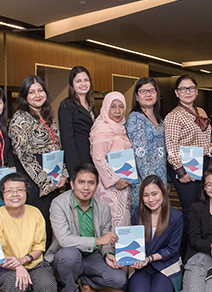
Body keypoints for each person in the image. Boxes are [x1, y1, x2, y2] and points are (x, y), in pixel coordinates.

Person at [45, 163, 126, 292]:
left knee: (119, 280)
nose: (86, 187)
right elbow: (64, 240)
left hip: (91, 255)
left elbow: (106, 236)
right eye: (81, 182)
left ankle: (84, 280)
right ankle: (70, 291)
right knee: (70, 254)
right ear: (72, 184)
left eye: (91, 183)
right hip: (65, 255)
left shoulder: (102, 206)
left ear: (96, 185)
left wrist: (108, 253)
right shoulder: (58, 204)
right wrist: (98, 241)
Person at [0, 173, 58, 292]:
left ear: (26, 193)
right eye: (9, 191)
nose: (15, 194)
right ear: (2, 194)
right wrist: (18, 266)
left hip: (33, 263)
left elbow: (39, 247)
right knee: (15, 282)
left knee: (47, 286)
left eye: (19, 190)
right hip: (4, 266)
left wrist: (23, 260)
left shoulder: (35, 213)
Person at [9, 75, 68, 237]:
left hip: (53, 177)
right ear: (24, 96)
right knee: (37, 224)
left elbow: (57, 147)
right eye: (32, 92)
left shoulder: (48, 115)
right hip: (34, 181)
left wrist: (63, 174)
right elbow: (25, 156)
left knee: (52, 223)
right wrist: (47, 182)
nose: (37, 95)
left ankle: (50, 259)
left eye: (40, 90)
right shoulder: (20, 118)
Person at [165, 76, 212, 256]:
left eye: (191, 88)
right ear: (177, 92)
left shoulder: (200, 110)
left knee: (200, 207)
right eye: (183, 89)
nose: (188, 92)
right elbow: (171, 146)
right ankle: (185, 252)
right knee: (189, 210)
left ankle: (198, 246)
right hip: (184, 167)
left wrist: (211, 148)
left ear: (197, 91)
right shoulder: (173, 116)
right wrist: (180, 171)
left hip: (202, 164)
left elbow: (204, 140)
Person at [129, 175, 183, 292]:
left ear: (163, 193)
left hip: (166, 264)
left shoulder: (176, 216)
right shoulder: (137, 213)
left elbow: (172, 249)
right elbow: (134, 243)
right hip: (143, 265)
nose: (151, 199)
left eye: (154, 194)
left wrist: (150, 258)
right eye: (146, 195)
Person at [125, 77, 168, 219]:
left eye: (151, 91)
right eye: (143, 91)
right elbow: (140, 154)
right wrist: (152, 184)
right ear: (136, 96)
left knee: (159, 223)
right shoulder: (136, 118)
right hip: (146, 183)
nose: (148, 95)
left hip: (160, 181)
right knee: (145, 224)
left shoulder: (159, 119)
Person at [89, 91, 132, 227]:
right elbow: (98, 159)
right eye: (113, 106)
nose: (117, 111)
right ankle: (109, 248)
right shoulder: (102, 129)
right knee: (110, 221)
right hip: (108, 186)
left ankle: (121, 249)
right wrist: (115, 180)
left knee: (123, 221)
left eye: (121, 106)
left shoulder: (120, 128)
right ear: (106, 107)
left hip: (123, 184)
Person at [58, 66, 96, 175]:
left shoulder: (91, 106)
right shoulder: (67, 105)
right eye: (78, 81)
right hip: (79, 160)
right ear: (72, 84)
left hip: (93, 158)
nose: (83, 84)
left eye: (86, 80)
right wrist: (75, 171)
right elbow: (67, 141)